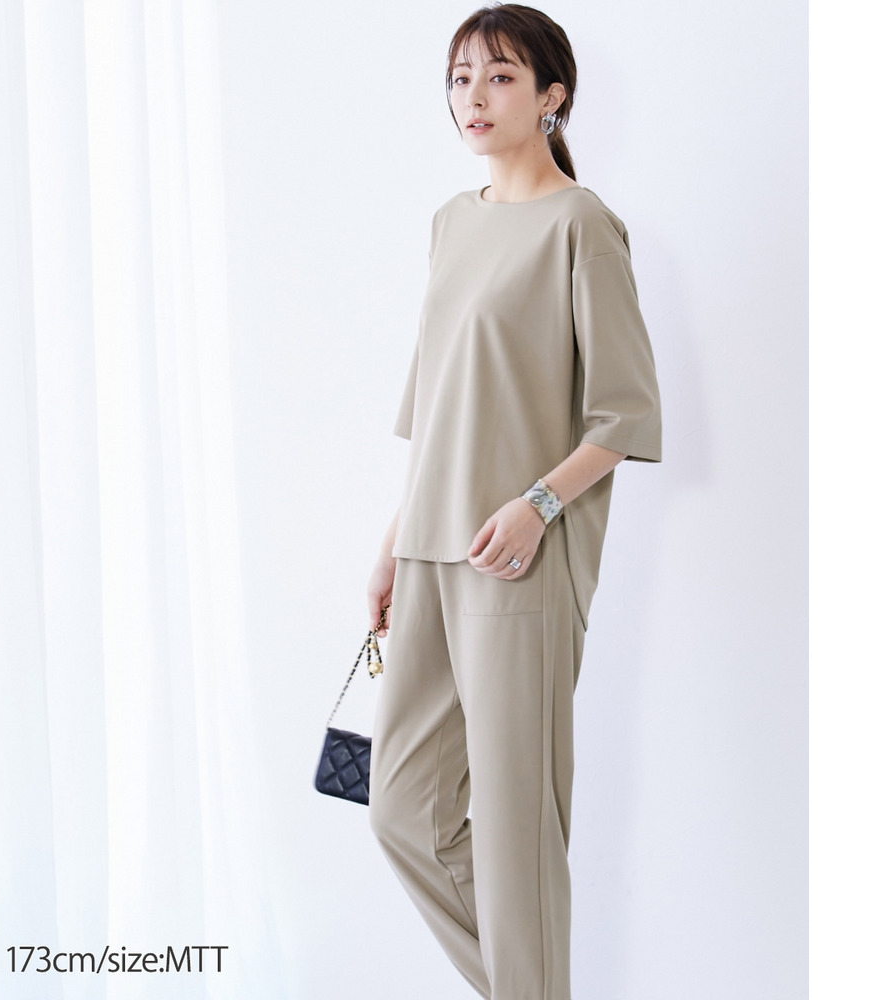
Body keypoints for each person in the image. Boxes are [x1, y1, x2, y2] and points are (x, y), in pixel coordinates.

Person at [364, 4, 662, 998]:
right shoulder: (452, 222)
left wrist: (537, 504)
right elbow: (441, 406)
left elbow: (622, 415)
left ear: (551, 97)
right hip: (429, 550)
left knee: (515, 830)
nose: (474, 98)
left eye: (499, 77)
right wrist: (394, 542)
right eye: (460, 78)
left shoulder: (582, 226)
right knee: (401, 809)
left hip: (518, 562)